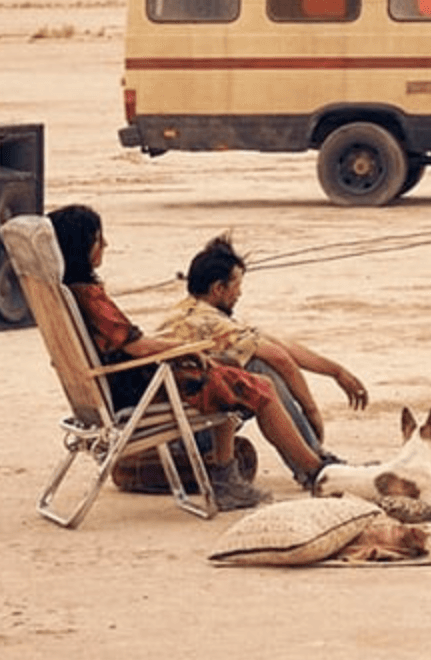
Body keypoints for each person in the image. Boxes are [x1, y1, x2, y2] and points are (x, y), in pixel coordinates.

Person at [46, 205, 322, 508]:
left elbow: (130, 342)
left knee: (231, 370)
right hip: (137, 390)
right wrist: (188, 351)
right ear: (82, 246)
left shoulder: (66, 292)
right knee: (259, 387)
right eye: (100, 239)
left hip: (117, 384)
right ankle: (315, 471)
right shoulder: (90, 298)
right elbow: (138, 347)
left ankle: (230, 477)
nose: (106, 246)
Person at [156, 233, 368, 476]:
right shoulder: (209, 323)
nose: (240, 293)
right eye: (237, 286)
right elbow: (279, 357)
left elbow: (277, 342)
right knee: (261, 368)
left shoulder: (191, 311)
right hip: (182, 433)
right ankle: (316, 466)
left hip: (182, 418)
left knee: (256, 362)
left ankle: (315, 459)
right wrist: (311, 411)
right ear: (218, 288)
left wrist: (335, 371)